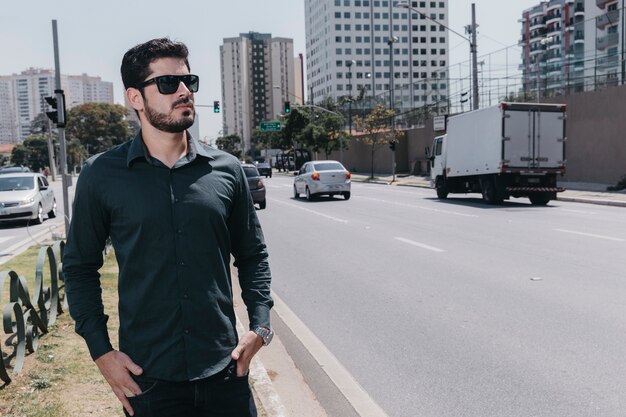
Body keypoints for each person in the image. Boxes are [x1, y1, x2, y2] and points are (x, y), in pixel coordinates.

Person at [63, 38, 273, 417]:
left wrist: (261, 326)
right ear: (135, 97)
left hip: (226, 372)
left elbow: (252, 254)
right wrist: (101, 353)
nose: (183, 92)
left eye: (188, 82)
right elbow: (79, 268)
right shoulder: (101, 175)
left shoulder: (226, 170)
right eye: (167, 84)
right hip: (148, 381)